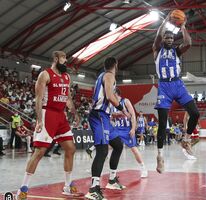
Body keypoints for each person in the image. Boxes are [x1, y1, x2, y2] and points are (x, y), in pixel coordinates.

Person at [16, 51, 81, 200]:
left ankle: (67, 186)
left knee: (70, 148)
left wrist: (75, 113)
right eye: (64, 58)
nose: (66, 61)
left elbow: (68, 98)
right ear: (57, 59)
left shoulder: (66, 77)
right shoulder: (45, 74)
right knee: (39, 152)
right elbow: (38, 99)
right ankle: (23, 189)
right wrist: (39, 120)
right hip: (47, 113)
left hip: (61, 115)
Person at [152, 13, 200, 173]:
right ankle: (160, 157)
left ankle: (186, 140)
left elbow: (188, 42)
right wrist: (165, 22)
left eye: (172, 38)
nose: (170, 40)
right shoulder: (157, 49)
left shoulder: (177, 51)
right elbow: (158, 35)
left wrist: (183, 27)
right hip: (164, 87)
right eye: (167, 38)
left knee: (195, 113)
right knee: (162, 124)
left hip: (178, 84)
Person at [85, 57, 129, 200]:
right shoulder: (109, 76)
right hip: (99, 115)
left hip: (104, 116)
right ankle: (93, 188)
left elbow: (106, 96)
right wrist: (122, 109)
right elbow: (110, 96)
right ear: (116, 65)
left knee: (117, 145)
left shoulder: (102, 76)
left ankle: (112, 180)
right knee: (102, 151)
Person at [111, 97, 148, 178]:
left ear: (115, 94)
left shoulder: (125, 101)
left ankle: (143, 167)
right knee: (107, 145)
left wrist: (133, 128)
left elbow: (133, 115)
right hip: (117, 129)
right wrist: (114, 115)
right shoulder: (112, 103)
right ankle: (111, 171)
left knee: (133, 149)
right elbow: (111, 117)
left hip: (126, 130)